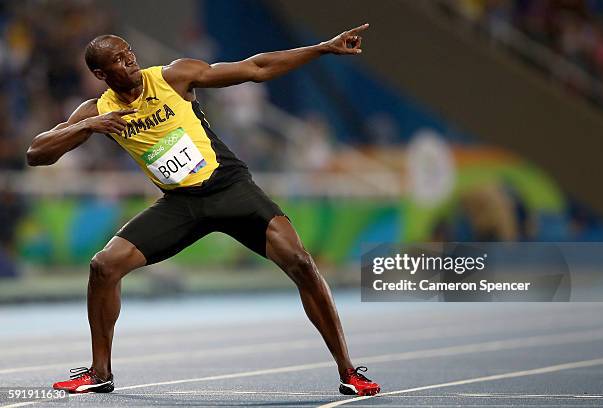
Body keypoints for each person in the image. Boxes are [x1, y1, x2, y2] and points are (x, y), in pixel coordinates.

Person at [26, 24, 380, 397]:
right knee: (103, 266)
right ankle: (100, 373)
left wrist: (323, 48)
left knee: (301, 262)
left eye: (129, 51)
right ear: (100, 74)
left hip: (230, 188)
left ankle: (348, 370)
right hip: (180, 205)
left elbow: (255, 68)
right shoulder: (98, 110)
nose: (129, 60)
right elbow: (36, 154)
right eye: (117, 59)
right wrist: (88, 125)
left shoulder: (174, 76)